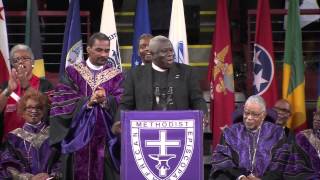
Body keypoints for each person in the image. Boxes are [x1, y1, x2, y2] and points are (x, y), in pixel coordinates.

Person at [50, 32, 123, 180]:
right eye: (99, 50)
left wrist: (106, 100)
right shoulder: (72, 72)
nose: (104, 54)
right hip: (78, 139)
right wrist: (88, 101)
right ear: (88, 49)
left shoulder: (117, 75)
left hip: (107, 140)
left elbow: (123, 100)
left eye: (107, 50)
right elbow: (62, 100)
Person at [120, 35, 207, 114]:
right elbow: (126, 104)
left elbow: (197, 100)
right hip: (147, 128)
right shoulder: (135, 75)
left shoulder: (187, 72)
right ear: (152, 54)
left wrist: (203, 115)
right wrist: (119, 121)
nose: (170, 54)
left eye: (171, 50)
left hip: (178, 127)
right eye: (164, 51)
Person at [210, 95, 287, 180]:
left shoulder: (277, 133)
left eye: (255, 114)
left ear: (263, 115)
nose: (249, 118)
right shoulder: (230, 132)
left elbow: (280, 163)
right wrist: (241, 177)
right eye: (246, 113)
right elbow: (222, 159)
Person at [0, 89, 60, 179]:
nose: (34, 111)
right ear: (23, 111)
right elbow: (8, 166)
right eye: (29, 107)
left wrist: (51, 175)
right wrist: (30, 178)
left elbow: (62, 161)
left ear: (43, 111)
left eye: (38, 107)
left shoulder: (54, 135)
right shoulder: (13, 138)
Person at [0, 44, 53, 141]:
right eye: (16, 60)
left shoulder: (45, 85)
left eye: (25, 58)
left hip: (37, 143)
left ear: (33, 63)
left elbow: (45, 108)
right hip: (9, 145)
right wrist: (8, 90)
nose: (21, 61)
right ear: (13, 64)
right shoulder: (4, 86)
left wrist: (26, 84)